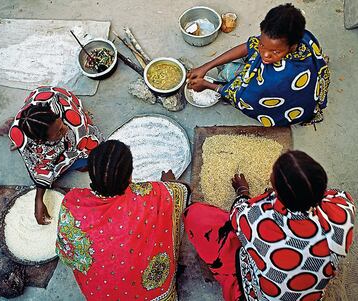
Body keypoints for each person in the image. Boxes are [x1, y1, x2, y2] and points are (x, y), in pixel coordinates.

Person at [184, 150, 355, 301]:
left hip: (264, 295)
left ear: (277, 192)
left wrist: (242, 192)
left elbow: (237, 214)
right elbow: (333, 195)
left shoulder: (257, 219)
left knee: (196, 216)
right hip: (310, 293)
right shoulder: (344, 211)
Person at [56, 140, 190, 300]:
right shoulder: (152, 195)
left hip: (101, 292)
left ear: (91, 173)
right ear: (129, 177)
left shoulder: (72, 202)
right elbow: (184, 191)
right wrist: (169, 183)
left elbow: (67, 254)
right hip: (147, 289)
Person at [187, 4, 330, 127]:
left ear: (292, 47)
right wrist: (206, 66)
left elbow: (242, 98)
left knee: (229, 74)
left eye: (275, 51)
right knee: (239, 64)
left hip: (289, 106)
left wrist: (207, 85)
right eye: (262, 44)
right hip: (294, 84)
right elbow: (250, 46)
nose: (265, 54)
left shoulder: (279, 77)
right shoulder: (302, 37)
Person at [9, 86, 103, 225]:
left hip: (55, 95)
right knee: (45, 167)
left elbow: (89, 144)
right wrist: (39, 199)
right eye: (58, 132)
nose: (65, 129)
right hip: (37, 131)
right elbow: (41, 167)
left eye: (61, 124)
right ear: (41, 141)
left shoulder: (74, 124)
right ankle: (7, 124)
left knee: (88, 160)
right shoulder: (23, 136)